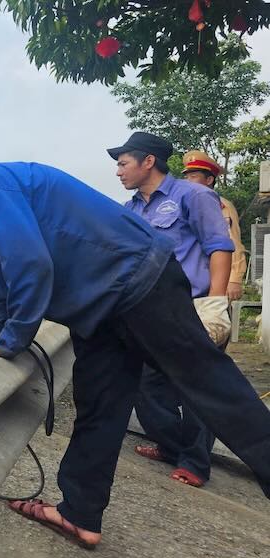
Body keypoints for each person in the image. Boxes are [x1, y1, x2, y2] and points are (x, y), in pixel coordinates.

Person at [0, 162, 270, 549]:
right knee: (99, 405)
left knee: (207, 384)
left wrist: (11, 341)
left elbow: (31, 267)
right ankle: (80, 513)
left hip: (137, 280)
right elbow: (1, 292)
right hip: (98, 305)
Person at [113, 133, 234, 488]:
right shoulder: (131, 210)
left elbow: (219, 247)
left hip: (195, 307)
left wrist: (215, 304)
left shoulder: (193, 195)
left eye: (123, 163)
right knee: (147, 387)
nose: (118, 172)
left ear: (147, 161)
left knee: (198, 390)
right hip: (152, 311)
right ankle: (171, 446)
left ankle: (196, 463)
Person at [181, 150, 247, 300]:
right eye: (186, 176)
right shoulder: (185, 203)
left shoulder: (221, 205)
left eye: (193, 176)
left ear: (209, 180)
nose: (188, 181)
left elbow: (231, 240)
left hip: (216, 282)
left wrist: (234, 279)